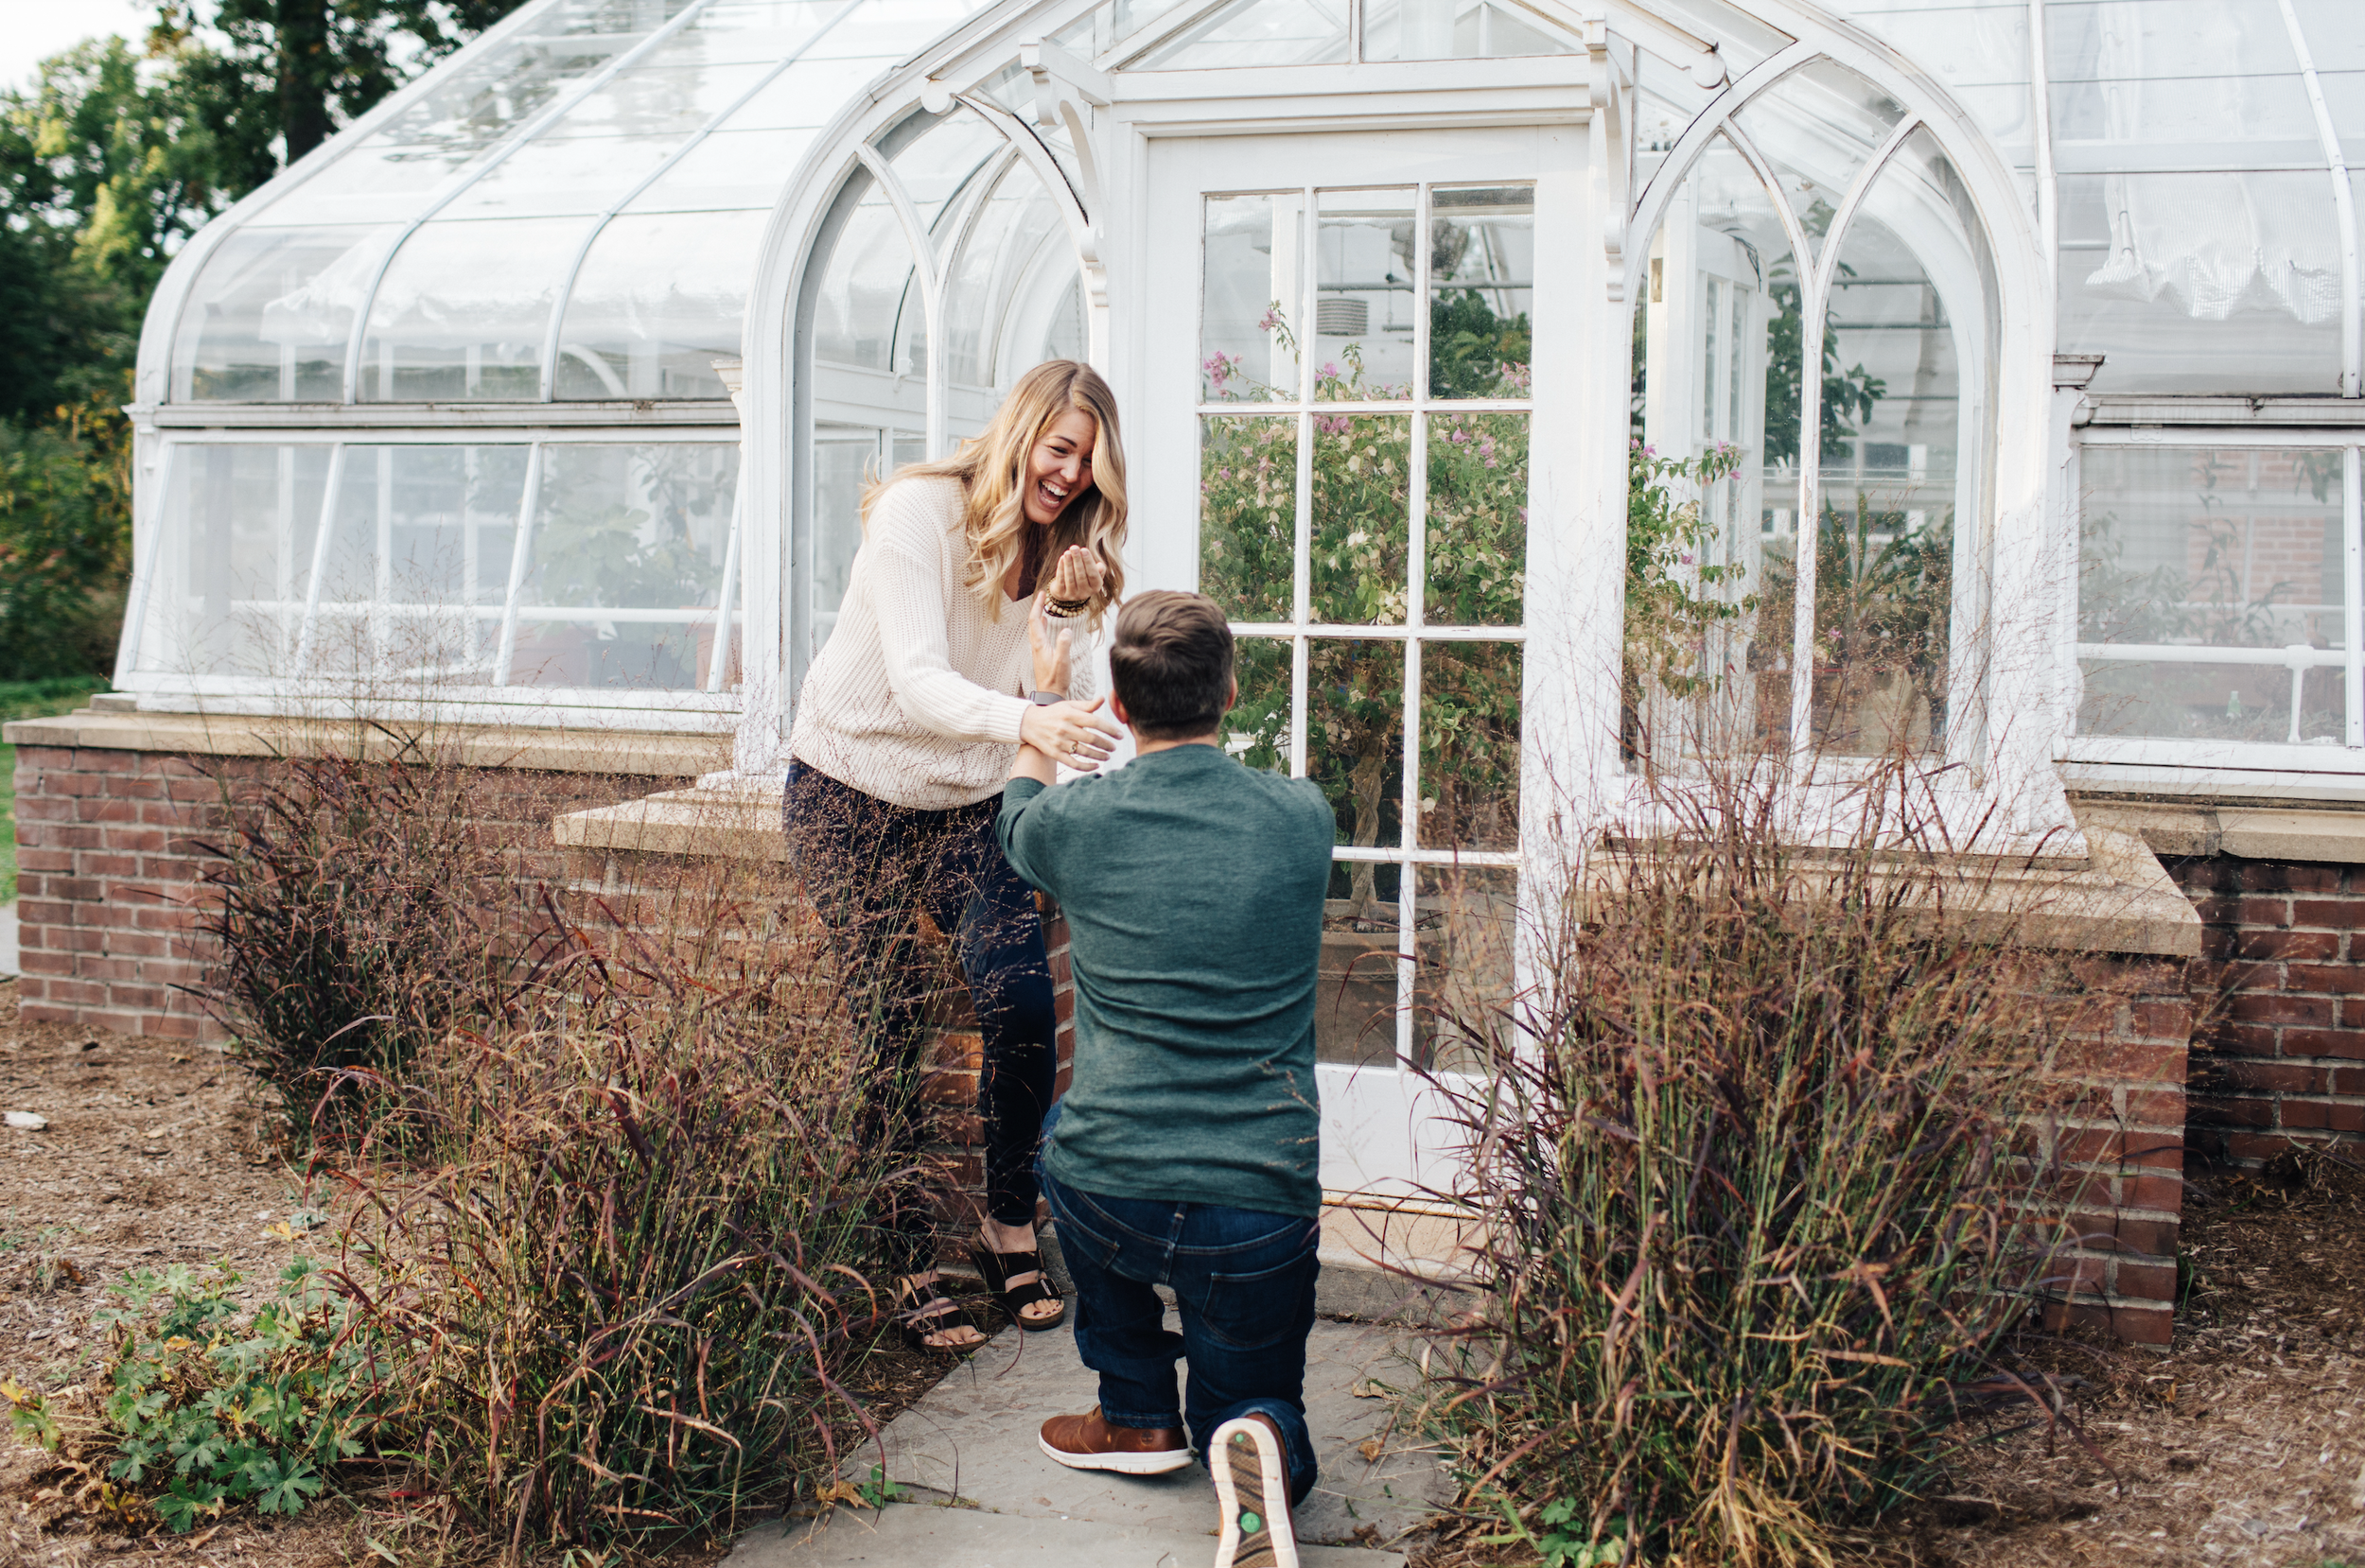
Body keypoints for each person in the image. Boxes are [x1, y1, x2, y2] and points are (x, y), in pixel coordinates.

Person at [784, 359, 1128, 1352]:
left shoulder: (1063, 547)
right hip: (851, 788)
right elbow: (922, 681)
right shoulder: (914, 514)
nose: (1068, 477)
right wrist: (1036, 714)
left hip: (968, 801)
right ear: (1020, 431)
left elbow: (1052, 696)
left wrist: (1060, 628)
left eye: (1089, 467)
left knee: (1021, 1002)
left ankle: (1005, 1220)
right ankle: (895, 1256)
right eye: (1059, 449)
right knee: (888, 1015)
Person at [996, 589, 1336, 1568]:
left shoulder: (1075, 822)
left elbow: (1015, 810)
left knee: (1063, 1141)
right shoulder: (1300, 816)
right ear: (1229, 689)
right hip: (1255, 1195)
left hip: (1112, 1184)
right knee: (1257, 1393)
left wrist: (1040, 702)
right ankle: (1255, 1441)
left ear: (1117, 699)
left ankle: (1138, 1408)